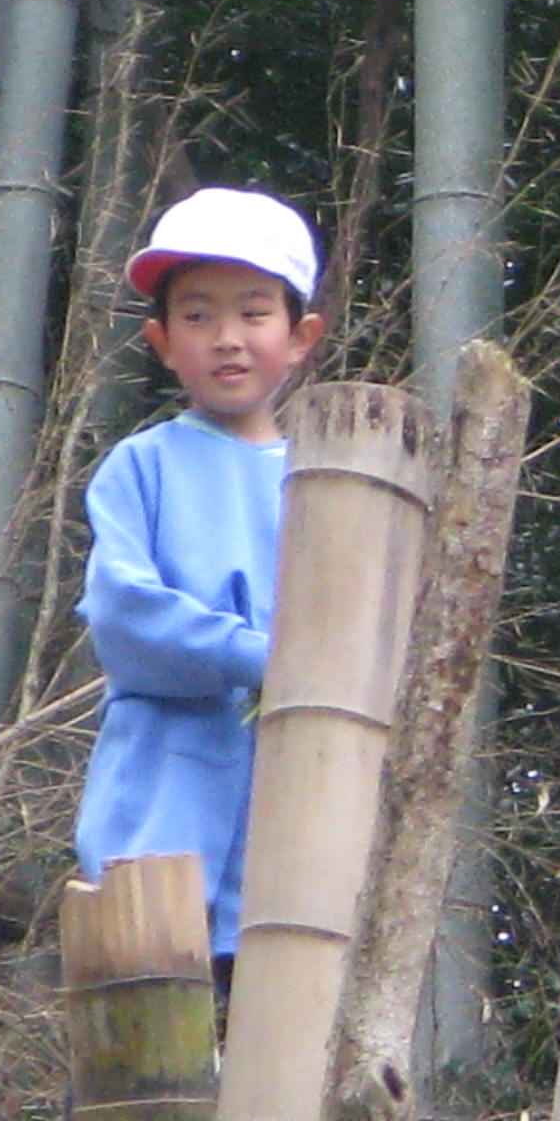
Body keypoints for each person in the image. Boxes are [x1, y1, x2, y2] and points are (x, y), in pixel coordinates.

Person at [74, 186, 329, 971]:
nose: (228, 339)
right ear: (160, 340)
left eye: (254, 314)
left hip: (303, 863)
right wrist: (267, 658)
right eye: (198, 316)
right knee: (142, 1079)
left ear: (300, 337)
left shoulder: (334, 481)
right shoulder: (141, 468)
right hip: (156, 846)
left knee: (285, 1080)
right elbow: (125, 616)